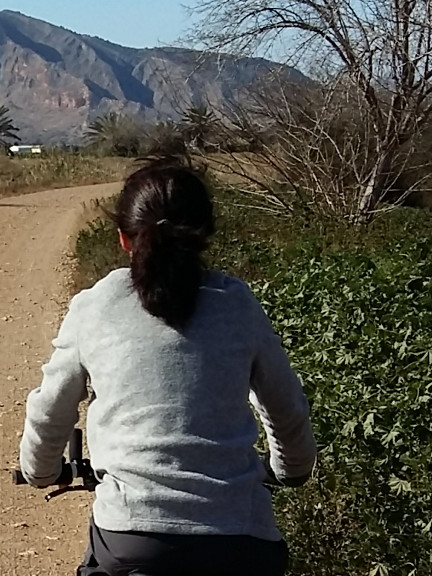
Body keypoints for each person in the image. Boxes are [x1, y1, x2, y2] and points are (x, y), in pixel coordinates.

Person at [19, 158, 316, 576]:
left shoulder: (97, 305)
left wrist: (40, 472)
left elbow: (51, 408)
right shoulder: (237, 303)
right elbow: (286, 409)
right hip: (241, 541)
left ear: (124, 238)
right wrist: (290, 470)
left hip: (133, 542)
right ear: (205, 236)